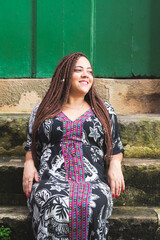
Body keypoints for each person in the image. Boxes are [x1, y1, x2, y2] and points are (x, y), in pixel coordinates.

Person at [23, 52, 125, 240]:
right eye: (78, 70)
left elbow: (115, 147)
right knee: (55, 201)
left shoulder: (104, 110)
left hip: (92, 181)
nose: (86, 75)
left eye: (90, 72)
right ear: (64, 75)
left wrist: (115, 165)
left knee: (92, 201)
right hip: (50, 180)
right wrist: (29, 163)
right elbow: (32, 144)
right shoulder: (42, 110)